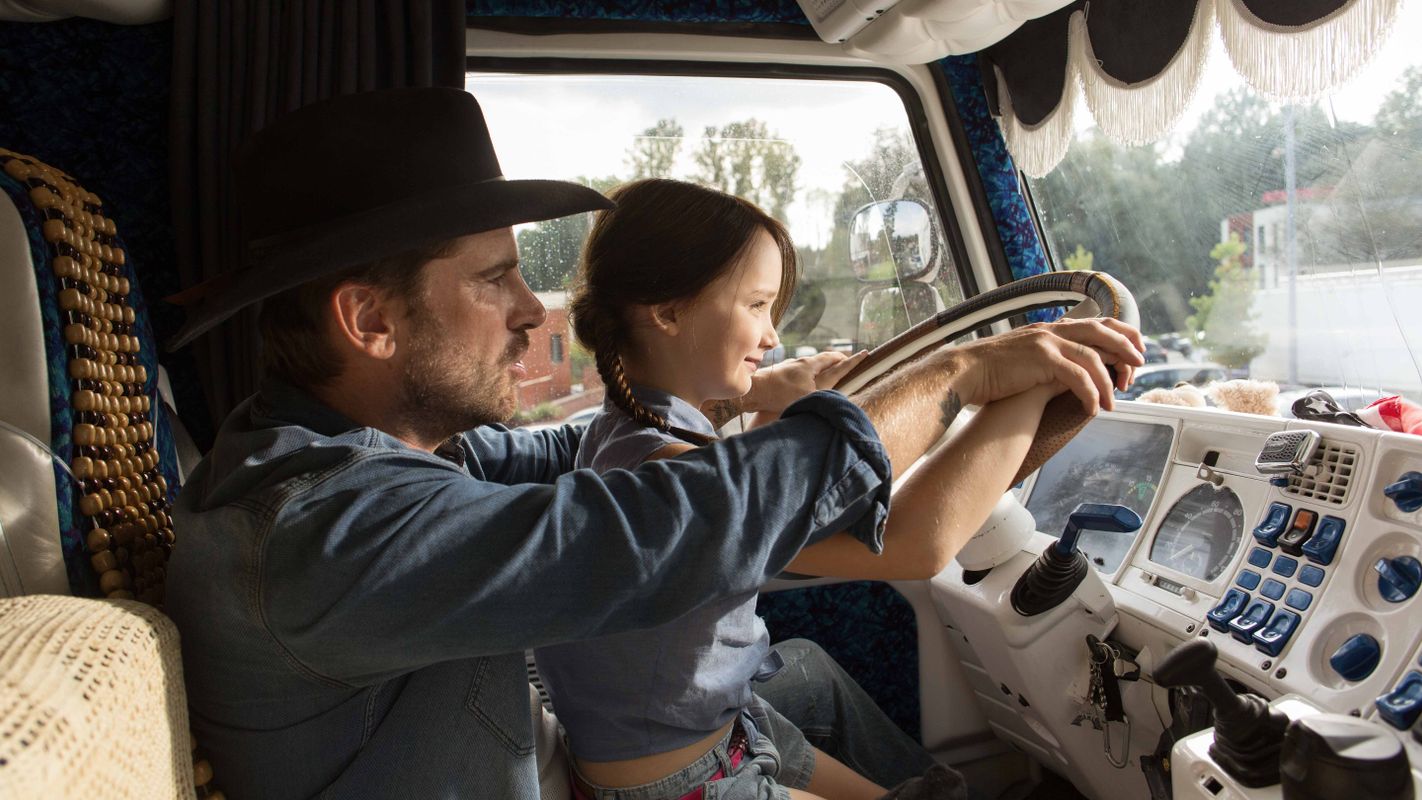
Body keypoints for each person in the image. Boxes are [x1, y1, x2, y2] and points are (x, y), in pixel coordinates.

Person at [163, 87, 1144, 800]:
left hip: (573, 755)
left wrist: (767, 402)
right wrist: (959, 374)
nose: (530, 310)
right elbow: (673, 520)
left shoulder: (381, 452)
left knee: (802, 672)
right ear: (370, 320)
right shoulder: (323, 530)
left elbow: (596, 459)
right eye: (494, 279)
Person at [532, 179, 1072, 800]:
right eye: (757, 305)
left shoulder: (626, 431)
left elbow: (750, 512)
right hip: (684, 781)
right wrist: (1024, 378)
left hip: (716, 728)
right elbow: (917, 543)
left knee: (813, 673)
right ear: (668, 312)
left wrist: (784, 406)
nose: (772, 337)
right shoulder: (661, 470)